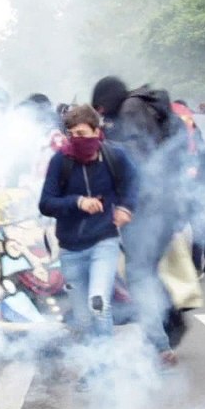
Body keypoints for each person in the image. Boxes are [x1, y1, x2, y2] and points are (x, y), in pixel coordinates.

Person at [90, 76, 188, 366]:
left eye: (99, 107)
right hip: (165, 203)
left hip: (148, 207)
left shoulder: (131, 111)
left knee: (139, 273)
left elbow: (136, 163)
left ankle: (158, 344)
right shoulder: (147, 107)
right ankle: (168, 322)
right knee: (146, 271)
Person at [39, 105, 137, 355]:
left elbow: (134, 184)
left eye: (82, 133)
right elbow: (46, 203)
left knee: (98, 303)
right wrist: (77, 202)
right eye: (71, 134)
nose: (76, 140)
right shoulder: (60, 161)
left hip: (104, 241)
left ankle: (102, 368)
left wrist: (126, 208)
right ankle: (89, 363)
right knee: (82, 318)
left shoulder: (116, 157)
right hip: (70, 248)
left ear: (97, 131)